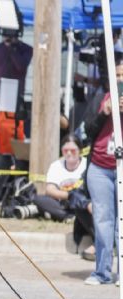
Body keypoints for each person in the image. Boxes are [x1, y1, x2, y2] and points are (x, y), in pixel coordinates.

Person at [82, 59, 123, 285]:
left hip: (121, 166)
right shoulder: (101, 98)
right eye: (116, 75)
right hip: (99, 167)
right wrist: (104, 112)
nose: (120, 80)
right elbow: (87, 130)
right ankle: (101, 272)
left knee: (121, 222)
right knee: (102, 220)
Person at [0, 34, 33, 168]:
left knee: (9, 138)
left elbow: (21, 67)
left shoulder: (26, 49)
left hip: (14, 98)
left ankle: (8, 167)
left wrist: (12, 48)